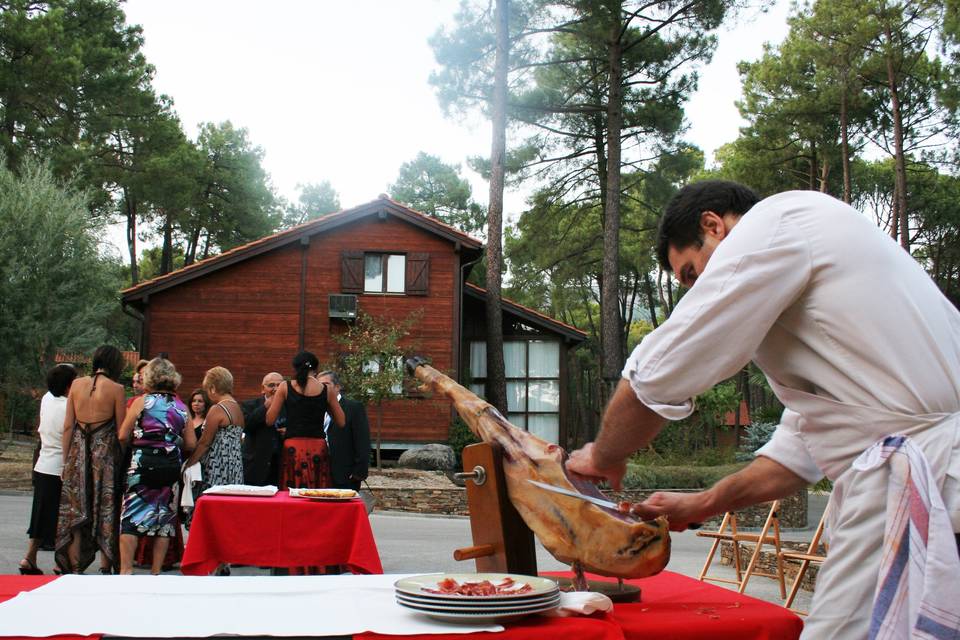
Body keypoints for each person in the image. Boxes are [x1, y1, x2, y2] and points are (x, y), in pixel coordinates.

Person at [566, 181, 960, 639]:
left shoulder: (780, 222)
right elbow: (799, 452)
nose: (695, 291)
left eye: (691, 274)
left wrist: (604, 456)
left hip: (922, 477)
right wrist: (703, 502)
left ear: (713, 225)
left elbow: (657, 373)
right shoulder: (837, 321)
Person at [117, 357, 196, 575]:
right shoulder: (181, 407)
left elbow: (123, 435)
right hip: (170, 466)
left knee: (131, 516)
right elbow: (190, 443)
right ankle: (156, 570)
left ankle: (126, 570)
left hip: (142, 463)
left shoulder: (141, 402)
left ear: (149, 378)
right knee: (164, 517)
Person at [55, 345, 127, 575]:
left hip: (77, 454)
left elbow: (68, 426)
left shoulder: (76, 385)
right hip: (104, 458)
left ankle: (75, 566)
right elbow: (121, 430)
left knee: (76, 509)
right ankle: (105, 565)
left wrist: (66, 461)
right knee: (106, 508)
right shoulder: (116, 389)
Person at [19, 364, 78, 574]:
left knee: (40, 514)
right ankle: (61, 562)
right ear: (68, 385)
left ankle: (30, 557)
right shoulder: (68, 406)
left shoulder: (46, 399)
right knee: (62, 517)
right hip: (59, 466)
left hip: (43, 462)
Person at [267, 352, 344, 489]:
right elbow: (341, 421)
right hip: (318, 447)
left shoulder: (285, 387)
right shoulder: (326, 390)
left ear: (295, 368)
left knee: (292, 491)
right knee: (317, 492)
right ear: (315, 369)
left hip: (293, 447)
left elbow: (270, 420)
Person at [184, 366, 244, 494]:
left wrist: (188, 464)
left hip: (217, 466)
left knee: (213, 501)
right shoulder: (237, 408)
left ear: (213, 388)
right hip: (235, 465)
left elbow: (205, 442)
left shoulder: (218, 408)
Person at [317, 371, 369, 491]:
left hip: (346, 476)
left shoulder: (354, 408)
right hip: (320, 473)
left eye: (326, 384)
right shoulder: (316, 409)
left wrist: (358, 473)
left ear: (337, 387)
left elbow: (362, 441)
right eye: (319, 385)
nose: (322, 389)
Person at [241, 372, 284, 486]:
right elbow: (247, 426)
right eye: (271, 385)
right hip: (255, 464)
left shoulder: (290, 406)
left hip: (280, 465)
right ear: (262, 388)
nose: (276, 389)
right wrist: (265, 406)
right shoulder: (249, 405)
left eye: (279, 385)